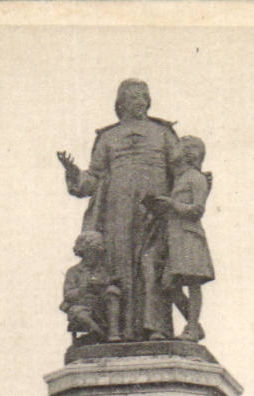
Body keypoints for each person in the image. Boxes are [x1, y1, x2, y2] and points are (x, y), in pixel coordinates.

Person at [58, 80, 179, 341]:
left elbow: (180, 171)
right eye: (134, 96)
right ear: (120, 102)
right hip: (117, 212)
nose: (140, 101)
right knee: (119, 266)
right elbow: (92, 179)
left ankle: (157, 329)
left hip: (154, 209)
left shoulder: (163, 133)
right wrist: (72, 173)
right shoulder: (107, 137)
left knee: (153, 265)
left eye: (144, 96)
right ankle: (119, 330)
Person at [141, 135, 214, 342]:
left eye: (179, 146)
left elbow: (198, 210)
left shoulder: (195, 178)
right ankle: (195, 326)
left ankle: (191, 329)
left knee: (192, 283)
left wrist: (172, 205)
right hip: (175, 239)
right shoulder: (180, 178)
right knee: (169, 285)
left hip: (189, 237)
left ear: (189, 153)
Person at [61, 231, 121, 345]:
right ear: (85, 252)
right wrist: (85, 288)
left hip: (100, 306)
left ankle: (113, 334)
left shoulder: (104, 270)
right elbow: (68, 294)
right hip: (83, 307)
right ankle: (100, 335)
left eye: (98, 252)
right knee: (79, 314)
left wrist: (104, 284)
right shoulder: (73, 271)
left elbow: (108, 284)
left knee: (113, 291)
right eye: (93, 251)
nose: (98, 254)